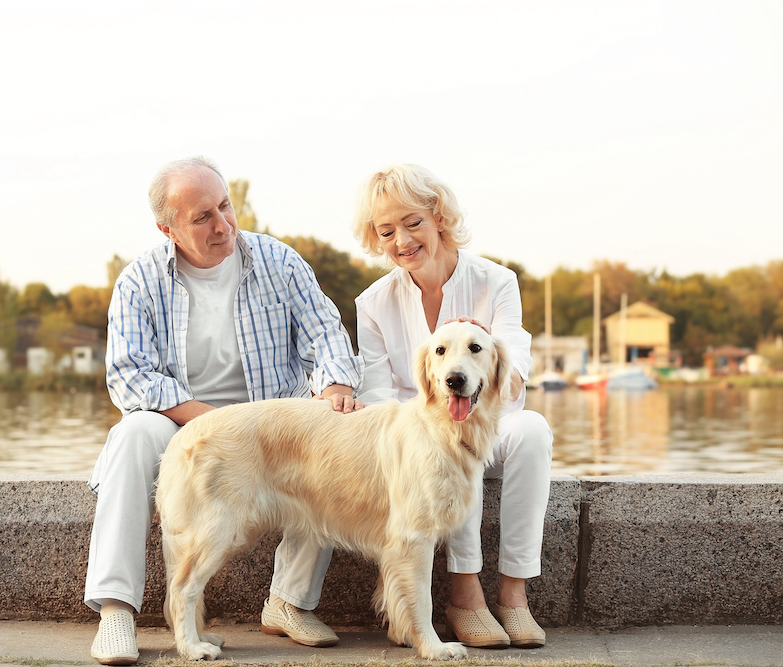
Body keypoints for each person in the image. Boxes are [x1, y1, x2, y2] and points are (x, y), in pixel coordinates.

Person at [85, 156, 364, 665]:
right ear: (167, 228)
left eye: (225, 205)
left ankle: (288, 602)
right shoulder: (138, 282)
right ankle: (116, 612)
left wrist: (336, 385)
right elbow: (129, 376)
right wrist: (211, 422)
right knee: (130, 436)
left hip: (272, 420)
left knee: (329, 427)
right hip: (184, 421)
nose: (223, 225)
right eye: (202, 218)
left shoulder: (278, 261)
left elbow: (326, 333)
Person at [352, 164, 553, 649]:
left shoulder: (496, 282)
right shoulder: (373, 302)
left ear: (438, 216)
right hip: (411, 438)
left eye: (412, 222)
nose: (402, 239)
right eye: (386, 231)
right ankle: (465, 596)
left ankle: (514, 595)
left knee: (532, 432)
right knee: (443, 443)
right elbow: (378, 399)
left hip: (487, 418)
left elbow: (514, 380)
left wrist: (480, 343)